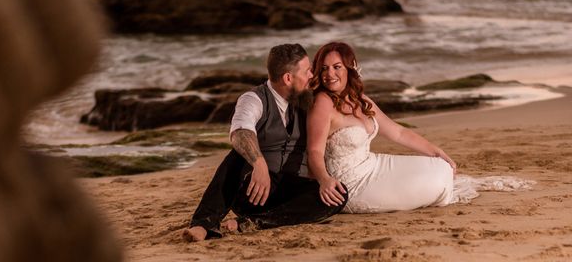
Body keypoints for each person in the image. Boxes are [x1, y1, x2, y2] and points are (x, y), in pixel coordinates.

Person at [184, 43, 348, 241]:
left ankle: (253, 223)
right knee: (237, 155)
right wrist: (258, 163)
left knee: (337, 195)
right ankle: (203, 223)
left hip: (287, 193)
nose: (312, 76)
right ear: (288, 78)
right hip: (253, 192)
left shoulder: (306, 98)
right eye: (307, 71)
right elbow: (240, 131)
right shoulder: (253, 99)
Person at [307, 41, 457, 213]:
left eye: (337, 67)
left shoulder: (359, 99)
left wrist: (437, 152)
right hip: (351, 185)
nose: (330, 74)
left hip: (374, 165)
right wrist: (324, 180)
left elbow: (398, 132)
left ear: (350, 68)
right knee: (437, 182)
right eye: (324, 68)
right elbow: (314, 151)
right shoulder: (323, 103)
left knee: (440, 166)